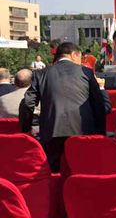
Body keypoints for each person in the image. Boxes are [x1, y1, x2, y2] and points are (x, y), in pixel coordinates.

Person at [19, 42, 106, 172]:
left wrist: (26, 128)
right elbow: (98, 105)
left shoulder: (41, 74)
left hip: (51, 132)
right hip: (83, 132)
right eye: (80, 57)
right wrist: (101, 134)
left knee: (54, 173)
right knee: (82, 171)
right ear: (73, 55)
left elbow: (27, 103)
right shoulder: (86, 73)